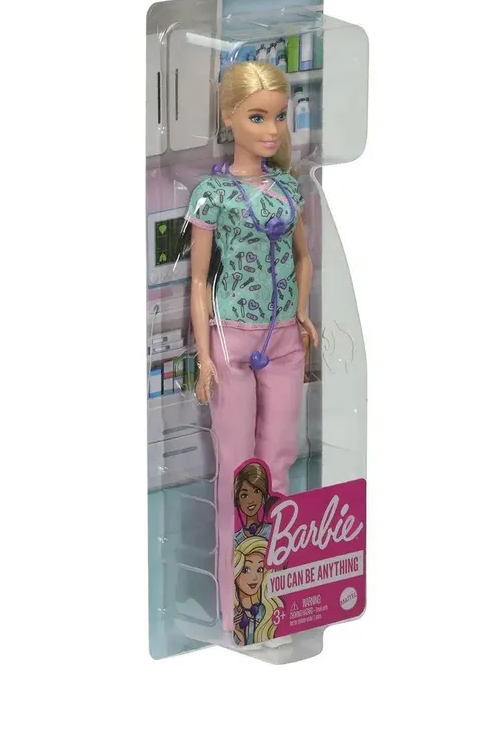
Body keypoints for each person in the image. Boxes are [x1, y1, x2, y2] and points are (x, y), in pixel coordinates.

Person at [185, 61, 319, 632]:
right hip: (231, 340)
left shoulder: (287, 187)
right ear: (229, 117)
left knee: (279, 463)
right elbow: (198, 281)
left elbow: (302, 257)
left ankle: (273, 606)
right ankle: (237, 614)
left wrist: (303, 313)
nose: (272, 129)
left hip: (284, 337)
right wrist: (203, 356)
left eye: (279, 117)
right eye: (258, 117)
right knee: (239, 474)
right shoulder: (212, 194)